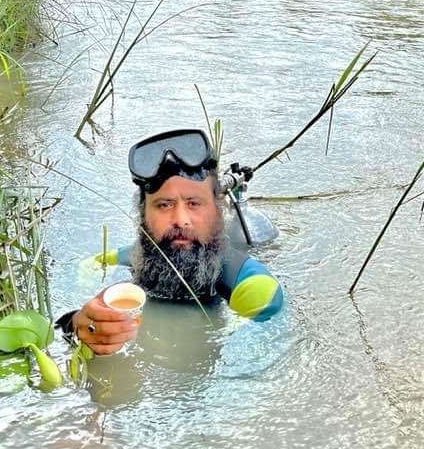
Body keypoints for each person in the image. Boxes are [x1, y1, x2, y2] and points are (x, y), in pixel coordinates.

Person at [57, 129, 283, 355]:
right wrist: (77, 325)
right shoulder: (114, 261)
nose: (180, 220)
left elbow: (260, 351)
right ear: (143, 214)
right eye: (164, 205)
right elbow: (77, 283)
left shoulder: (250, 284)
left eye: (194, 203)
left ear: (216, 212)